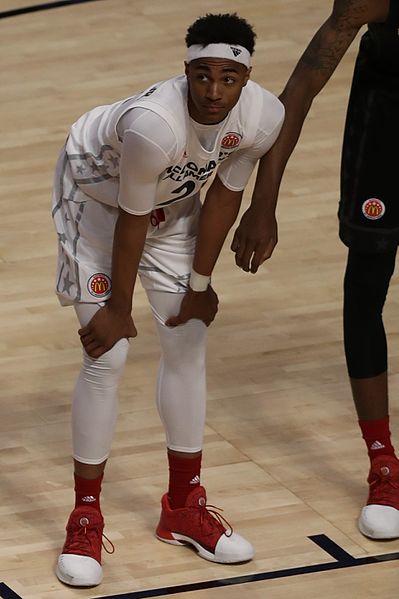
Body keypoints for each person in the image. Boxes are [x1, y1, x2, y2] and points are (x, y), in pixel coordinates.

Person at [51, 12, 285, 587]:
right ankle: (85, 515)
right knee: (108, 355)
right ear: (184, 72)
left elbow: (226, 199)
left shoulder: (263, 115)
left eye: (228, 79)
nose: (213, 91)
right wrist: (117, 307)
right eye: (201, 76)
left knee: (187, 337)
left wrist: (200, 288)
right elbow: (131, 219)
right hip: (97, 205)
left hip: (172, 205)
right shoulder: (154, 124)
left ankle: (182, 506)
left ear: (246, 78)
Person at [232, 0, 399, 540]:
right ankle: (384, 465)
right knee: (367, 284)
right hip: (390, 113)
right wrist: (264, 201)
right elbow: (301, 87)